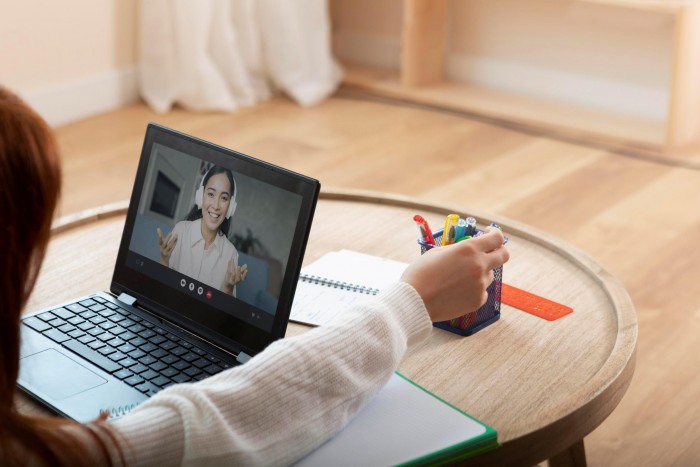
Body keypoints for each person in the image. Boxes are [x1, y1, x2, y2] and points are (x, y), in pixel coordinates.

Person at [0, 86, 510, 466]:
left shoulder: (226, 254)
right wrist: (411, 300)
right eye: (211, 194)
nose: (217, 203)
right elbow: (218, 425)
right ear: (201, 197)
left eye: (226, 196)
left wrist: (224, 288)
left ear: (230, 204)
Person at [156, 166, 248, 297]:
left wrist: (227, 287)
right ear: (200, 196)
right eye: (211, 194)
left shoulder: (230, 254)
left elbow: (221, 314)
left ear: (230, 207)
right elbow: (160, 290)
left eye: (224, 198)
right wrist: (164, 260)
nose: (216, 206)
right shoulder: (180, 231)